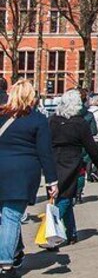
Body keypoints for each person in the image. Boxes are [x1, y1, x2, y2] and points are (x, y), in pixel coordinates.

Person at [0, 80, 59, 275]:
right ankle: (6, 263)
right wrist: (52, 181)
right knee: (11, 217)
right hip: (22, 174)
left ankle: (15, 253)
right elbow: (45, 153)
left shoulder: (1, 115)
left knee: (5, 217)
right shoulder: (37, 119)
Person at [49, 90, 98, 247]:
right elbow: (91, 146)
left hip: (54, 161)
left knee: (62, 195)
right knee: (66, 197)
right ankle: (51, 229)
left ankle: (71, 233)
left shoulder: (52, 120)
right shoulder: (79, 123)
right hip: (72, 162)